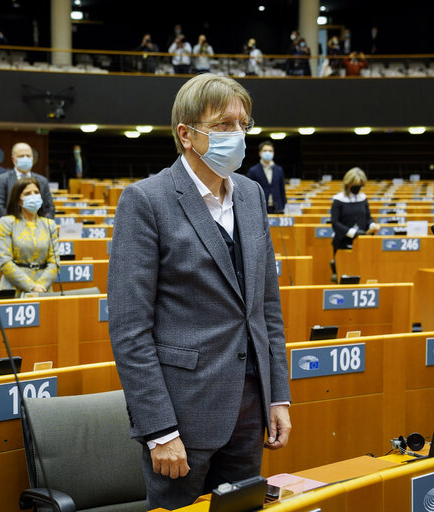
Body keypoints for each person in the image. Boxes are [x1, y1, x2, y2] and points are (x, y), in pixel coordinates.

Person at [108, 73, 292, 510]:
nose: (238, 135)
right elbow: (130, 329)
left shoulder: (250, 194)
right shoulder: (145, 200)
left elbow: (266, 308)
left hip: (249, 412)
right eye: (224, 125)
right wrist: (159, 430)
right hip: (183, 418)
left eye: (243, 125)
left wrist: (277, 394)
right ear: (187, 134)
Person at [0, 177, 60, 296]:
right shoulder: (6, 223)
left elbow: (54, 262)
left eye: (36, 192)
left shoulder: (50, 225)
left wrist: (40, 287)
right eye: (27, 193)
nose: (33, 196)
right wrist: (31, 286)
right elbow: (5, 262)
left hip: (43, 290)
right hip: (14, 289)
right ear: (18, 199)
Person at [329, 167, 379, 282]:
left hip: (362, 243)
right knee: (346, 276)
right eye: (355, 185)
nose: (358, 188)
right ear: (348, 184)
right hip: (342, 243)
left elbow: (368, 218)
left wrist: (372, 226)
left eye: (360, 185)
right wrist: (353, 233)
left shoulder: (363, 198)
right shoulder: (339, 200)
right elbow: (335, 223)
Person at [0, 142, 55, 219]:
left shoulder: (42, 180)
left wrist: (43, 223)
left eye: (28, 156)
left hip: (37, 226)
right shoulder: (2, 179)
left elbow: (50, 208)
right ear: (13, 159)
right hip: (10, 226)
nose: (25, 158)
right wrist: (16, 223)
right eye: (21, 156)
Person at [247, 141, 286, 214]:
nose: (268, 153)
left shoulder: (279, 170)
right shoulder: (253, 171)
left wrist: (283, 205)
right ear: (260, 153)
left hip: (277, 207)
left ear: (273, 153)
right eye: (265, 151)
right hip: (260, 207)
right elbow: (250, 192)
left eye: (270, 151)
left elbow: (282, 189)